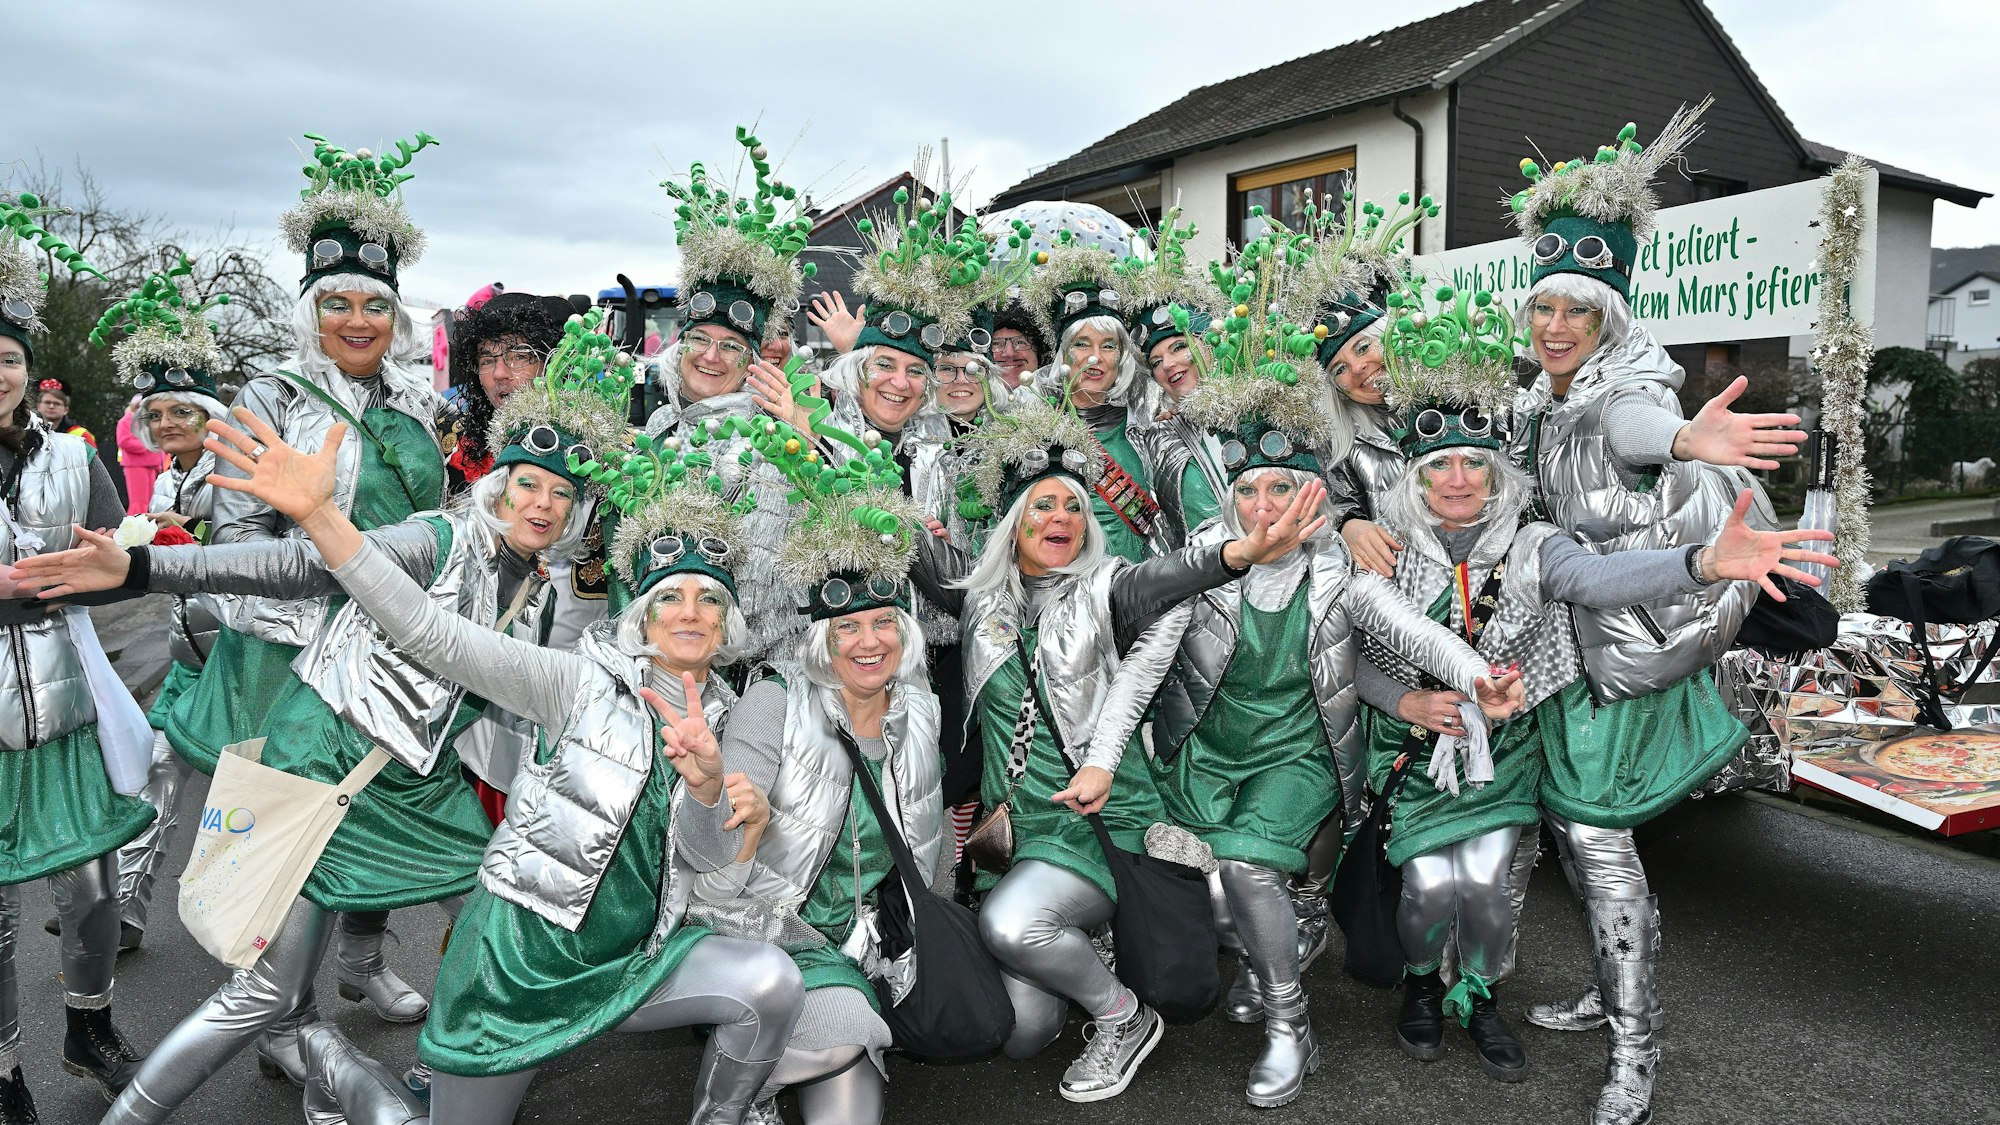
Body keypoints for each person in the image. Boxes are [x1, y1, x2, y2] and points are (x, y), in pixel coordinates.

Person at [17, 315, 626, 1125]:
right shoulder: (435, 537)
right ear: (495, 483)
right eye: (528, 483)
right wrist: (142, 566)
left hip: (404, 783)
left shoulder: (531, 579)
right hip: (327, 764)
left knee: (499, 901)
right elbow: (298, 565)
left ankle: (345, 1080)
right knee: (264, 991)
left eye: (562, 492)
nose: (543, 503)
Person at [190, 410, 804, 1125]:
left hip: (633, 961)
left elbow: (709, 863)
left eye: (710, 599)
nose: (691, 612)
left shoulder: (728, 717)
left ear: (729, 624)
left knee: (770, 981)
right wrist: (325, 520)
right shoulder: (572, 682)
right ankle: (335, 1060)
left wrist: (705, 785)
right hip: (516, 964)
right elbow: (429, 632)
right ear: (640, 612)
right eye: (670, 594)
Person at [1354, 285, 1836, 1094]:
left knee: (1598, 848)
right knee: (1530, 863)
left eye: (1578, 312)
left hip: (1599, 670)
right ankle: (1481, 990)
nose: (1556, 328)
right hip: (1537, 677)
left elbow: (1632, 441)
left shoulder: (1624, 394)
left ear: (1611, 320)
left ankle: (1632, 1048)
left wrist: (1684, 444)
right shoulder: (1537, 401)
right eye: (1543, 310)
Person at [1143, 240, 1522, 1107]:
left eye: (1369, 345)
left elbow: (1404, 622)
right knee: (1224, 873)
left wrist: (1477, 676)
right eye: (1341, 358)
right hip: (1371, 704)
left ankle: (1311, 989)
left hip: (1405, 717)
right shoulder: (1299, 494)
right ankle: (1295, 918)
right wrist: (1343, 520)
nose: (1362, 365)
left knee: (1399, 919)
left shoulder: (1461, 424)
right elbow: (1154, 640)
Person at [909, 397, 1322, 1103]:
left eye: (1074, 507)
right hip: (1020, 828)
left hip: (1099, 818)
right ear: (1013, 526)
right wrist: (815, 441)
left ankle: (1122, 1016)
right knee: (1024, 1031)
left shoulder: (1107, 590)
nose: (1060, 520)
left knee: (1014, 925)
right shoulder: (982, 598)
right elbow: (903, 536)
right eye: (1042, 507)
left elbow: (1168, 575)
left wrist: (1237, 554)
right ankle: (1089, 940)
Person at [0, 194, 152, 1121]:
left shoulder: (71, 456)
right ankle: (3, 1069)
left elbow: (117, 566)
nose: (0, 373)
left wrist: (81, 581)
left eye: (10, 357)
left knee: (93, 886)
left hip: (62, 707)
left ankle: (86, 1027)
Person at [84, 262, 235, 953]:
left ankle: (261, 938)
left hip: (241, 660)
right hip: (189, 654)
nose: (168, 423)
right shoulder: (173, 474)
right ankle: (125, 910)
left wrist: (183, 533)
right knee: (158, 772)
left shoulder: (235, 471)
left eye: (183, 411)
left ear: (212, 415)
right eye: (157, 415)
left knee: (249, 802)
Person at [639, 130, 816, 665]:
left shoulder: (769, 431)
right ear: (680, 343)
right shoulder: (660, 427)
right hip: (670, 655)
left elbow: (775, 569)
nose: (711, 357)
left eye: (731, 347)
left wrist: (800, 441)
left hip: (754, 665)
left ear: (752, 362)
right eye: (701, 340)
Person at [1019, 237, 1165, 562]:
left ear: (1122, 356)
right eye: (1082, 344)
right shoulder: (1026, 422)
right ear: (1063, 354)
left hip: (1136, 596)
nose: (1095, 358)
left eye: (1108, 346)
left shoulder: (1151, 422)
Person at [1121, 209, 1224, 549]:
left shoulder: (1263, 405)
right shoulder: (1159, 437)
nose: (1169, 365)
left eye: (1180, 346)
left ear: (1209, 341)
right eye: (1156, 362)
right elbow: (1161, 532)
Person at [114, 396, 166, 516]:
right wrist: (148, 445)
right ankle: (135, 530)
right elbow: (124, 441)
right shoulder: (126, 421)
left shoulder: (148, 421)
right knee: (139, 502)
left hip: (153, 465)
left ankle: (144, 529)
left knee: (149, 502)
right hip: (136, 465)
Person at [33, 375, 96, 448]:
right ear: (39, 406)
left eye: (57, 404)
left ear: (66, 410)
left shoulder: (82, 435)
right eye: (47, 402)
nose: (51, 406)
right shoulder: (29, 433)